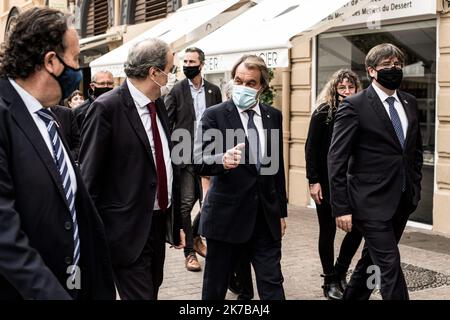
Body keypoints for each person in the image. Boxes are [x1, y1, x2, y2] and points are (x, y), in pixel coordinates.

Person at [0, 7, 115, 300]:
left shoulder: (48, 117)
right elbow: (5, 238)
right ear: (51, 61)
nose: (77, 69)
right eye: (75, 59)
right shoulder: (4, 116)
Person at [79, 38, 185, 300]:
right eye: (170, 70)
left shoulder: (157, 102)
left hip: (157, 223)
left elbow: (165, 161)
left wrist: (177, 223)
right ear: (154, 73)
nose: (172, 76)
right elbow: (89, 179)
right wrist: (90, 239)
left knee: (152, 290)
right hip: (124, 231)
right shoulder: (106, 108)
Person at [328, 43, 423, 300]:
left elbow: (414, 151)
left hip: (402, 200)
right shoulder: (355, 105)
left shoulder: (409, 102)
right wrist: (341, 207)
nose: (394, 69)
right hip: (369, 202)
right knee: (390, 265)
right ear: (371, 71)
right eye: (386, 65)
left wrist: (415, 187)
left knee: (371, 261)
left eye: (397, 65)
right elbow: (337, 159)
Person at [194, 55, 287, 300]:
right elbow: (197, 159)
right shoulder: (215, 115)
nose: (243, 87)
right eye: (238, 80)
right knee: (215, 287)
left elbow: (275, 168)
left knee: (272, 283)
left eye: (251, 83)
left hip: (264, 218)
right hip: (226, 218)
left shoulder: (272, 116)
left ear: (261, 87)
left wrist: (281, 212)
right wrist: (221, 160)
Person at [305, 69, 363, 300]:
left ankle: (340, 270)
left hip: (353, 182)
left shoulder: (362, 111)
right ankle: (329, 279)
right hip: (327, 182)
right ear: (334, 89)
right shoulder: (323, 112)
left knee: (358, 228)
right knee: (327, 231)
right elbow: (310, 148)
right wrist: (313, 181)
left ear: (357, 89)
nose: (347, 92)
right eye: (342, 88)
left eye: (351, 87)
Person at [165, 47, 222, 272]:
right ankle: (190, 252)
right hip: (185, 156)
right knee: (186, 204)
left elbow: (220, 121)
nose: (188, 65)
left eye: (192, 61)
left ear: (202, 63)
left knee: (209, 202)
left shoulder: (213, 91)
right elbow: (168, 123)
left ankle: (198, 237)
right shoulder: (177, 90)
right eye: (185, 61)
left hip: (209, 154)